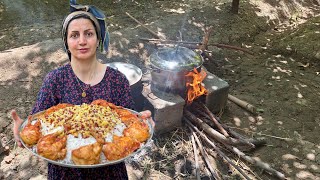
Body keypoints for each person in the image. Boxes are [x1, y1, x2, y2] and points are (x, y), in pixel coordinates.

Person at [11, 2, 152, 180]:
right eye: (74, 35)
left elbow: (130, 122)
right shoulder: (54, 79)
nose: (82, 41)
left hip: (111, 174)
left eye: (89, 34)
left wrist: (145, 123)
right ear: (66, 42)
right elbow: (37, 124)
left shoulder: (117, 80)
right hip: (63, 174)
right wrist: (22, 132)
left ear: (99, 38)